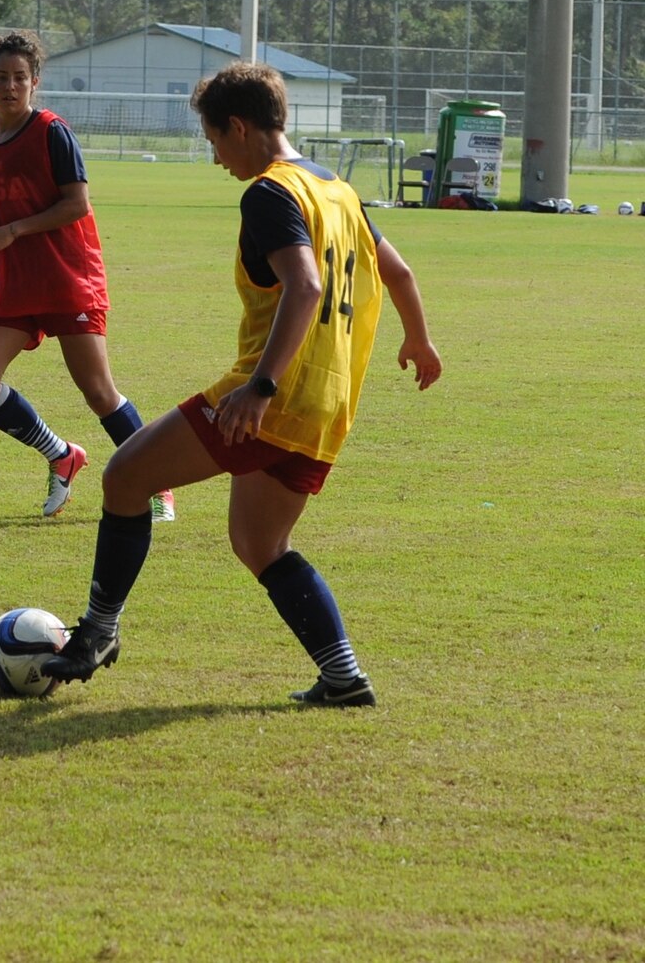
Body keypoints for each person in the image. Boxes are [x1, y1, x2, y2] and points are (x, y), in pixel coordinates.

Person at [42, 62, 442, 707]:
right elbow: (397, 271)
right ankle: (343, 678)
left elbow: (305, 285)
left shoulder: (269, 193)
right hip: (329, 403)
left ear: (239, 127)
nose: (217, 157)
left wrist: (259, 387)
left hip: (275, 394)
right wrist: (419, 338)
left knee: (125, 477)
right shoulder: (335, 189)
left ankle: (98, 630)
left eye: (214, 142)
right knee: (260, 543)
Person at [0, 31, 173, 520]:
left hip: (66, 275)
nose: (10, 86)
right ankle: (61, 454)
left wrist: (14, 230)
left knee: (98, 391)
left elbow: (77, 204)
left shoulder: (52, 131)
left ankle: (157, 483)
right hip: (13, 277)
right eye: (1, 78)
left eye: (19, 78)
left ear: (35, 82)